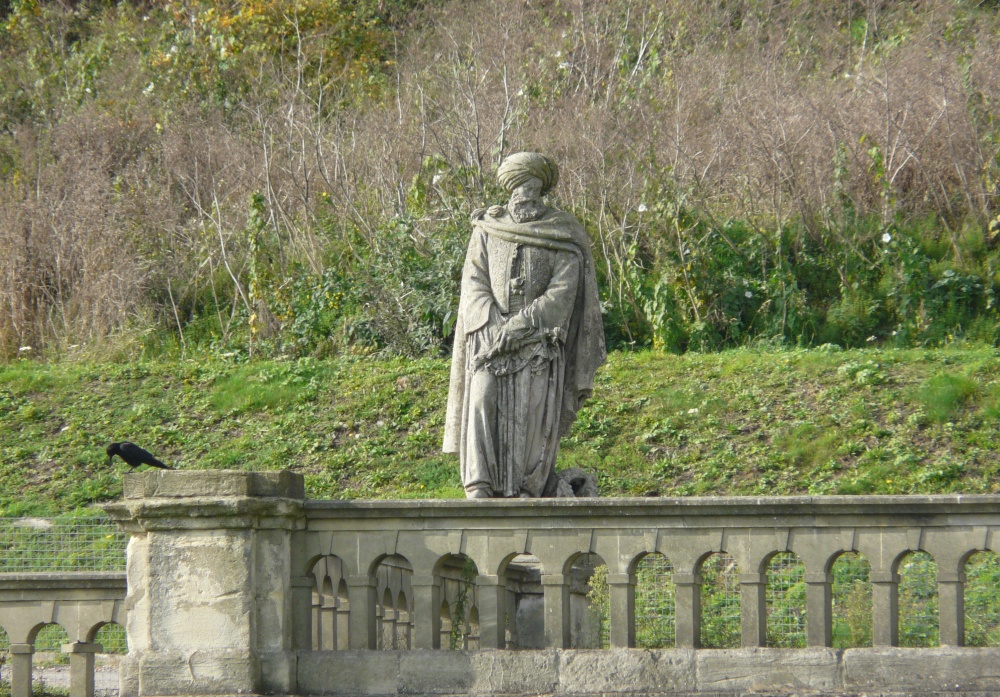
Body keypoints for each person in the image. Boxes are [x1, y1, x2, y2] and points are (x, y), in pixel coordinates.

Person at [443, 152, 606, 498]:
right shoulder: (487, 229)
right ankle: (480, 484)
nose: (527, 196)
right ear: (510, 190)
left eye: (533, 188)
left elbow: (563, 292)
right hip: (491, 340)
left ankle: (527, 490)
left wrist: (520, 325)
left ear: (542, 190)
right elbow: (474, 282)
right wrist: (494, 321)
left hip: (538, 344)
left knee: (532, 415)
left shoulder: (562, 233)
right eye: (520, 189)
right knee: (482, 395)